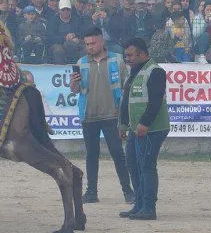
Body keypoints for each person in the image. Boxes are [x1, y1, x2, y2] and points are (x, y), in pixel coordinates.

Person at [69, 28, 133, 204]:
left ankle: (128, 191)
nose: (90, 47)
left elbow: (126, 86)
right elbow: (75, 91)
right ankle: (91, 192)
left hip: (112, 115)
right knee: (91, 155)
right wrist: (72, 83)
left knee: (118, 154)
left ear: (101, 42)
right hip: (89, 116)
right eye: (87, 44)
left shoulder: (117, 60)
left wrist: (124, 114)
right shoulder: (81, 63)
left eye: (93, 43)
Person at [118, 37, 169, 221]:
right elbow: (126, 102)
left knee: (146, 166)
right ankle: (139, 205)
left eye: (131, 55)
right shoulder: (134, 71)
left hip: (151, 129)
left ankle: (149, 207)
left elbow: (155, 101)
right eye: (126, 56)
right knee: (133, 165)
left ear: (143, 54)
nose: (127, 59)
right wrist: (123, 124)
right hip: (135, 128)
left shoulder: (155, 71)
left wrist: (145, 123)